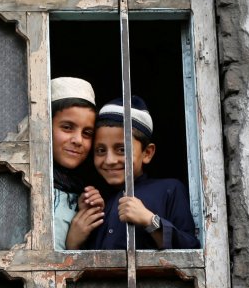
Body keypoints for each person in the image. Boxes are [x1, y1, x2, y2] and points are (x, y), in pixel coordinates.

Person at [67, 96, 200, 250]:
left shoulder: (169, 190)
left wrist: (150, 220)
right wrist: (74, 242)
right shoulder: (98, 201)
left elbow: (190, 250)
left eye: (122, 149)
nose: (109, 160)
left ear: (147, 153)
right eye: (101, 150)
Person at [50, 77, 104, 251]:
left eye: (87, 133)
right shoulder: (17, 187)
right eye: (67, 127)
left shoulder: (83, 192)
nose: (78, 140)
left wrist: (85, 215)